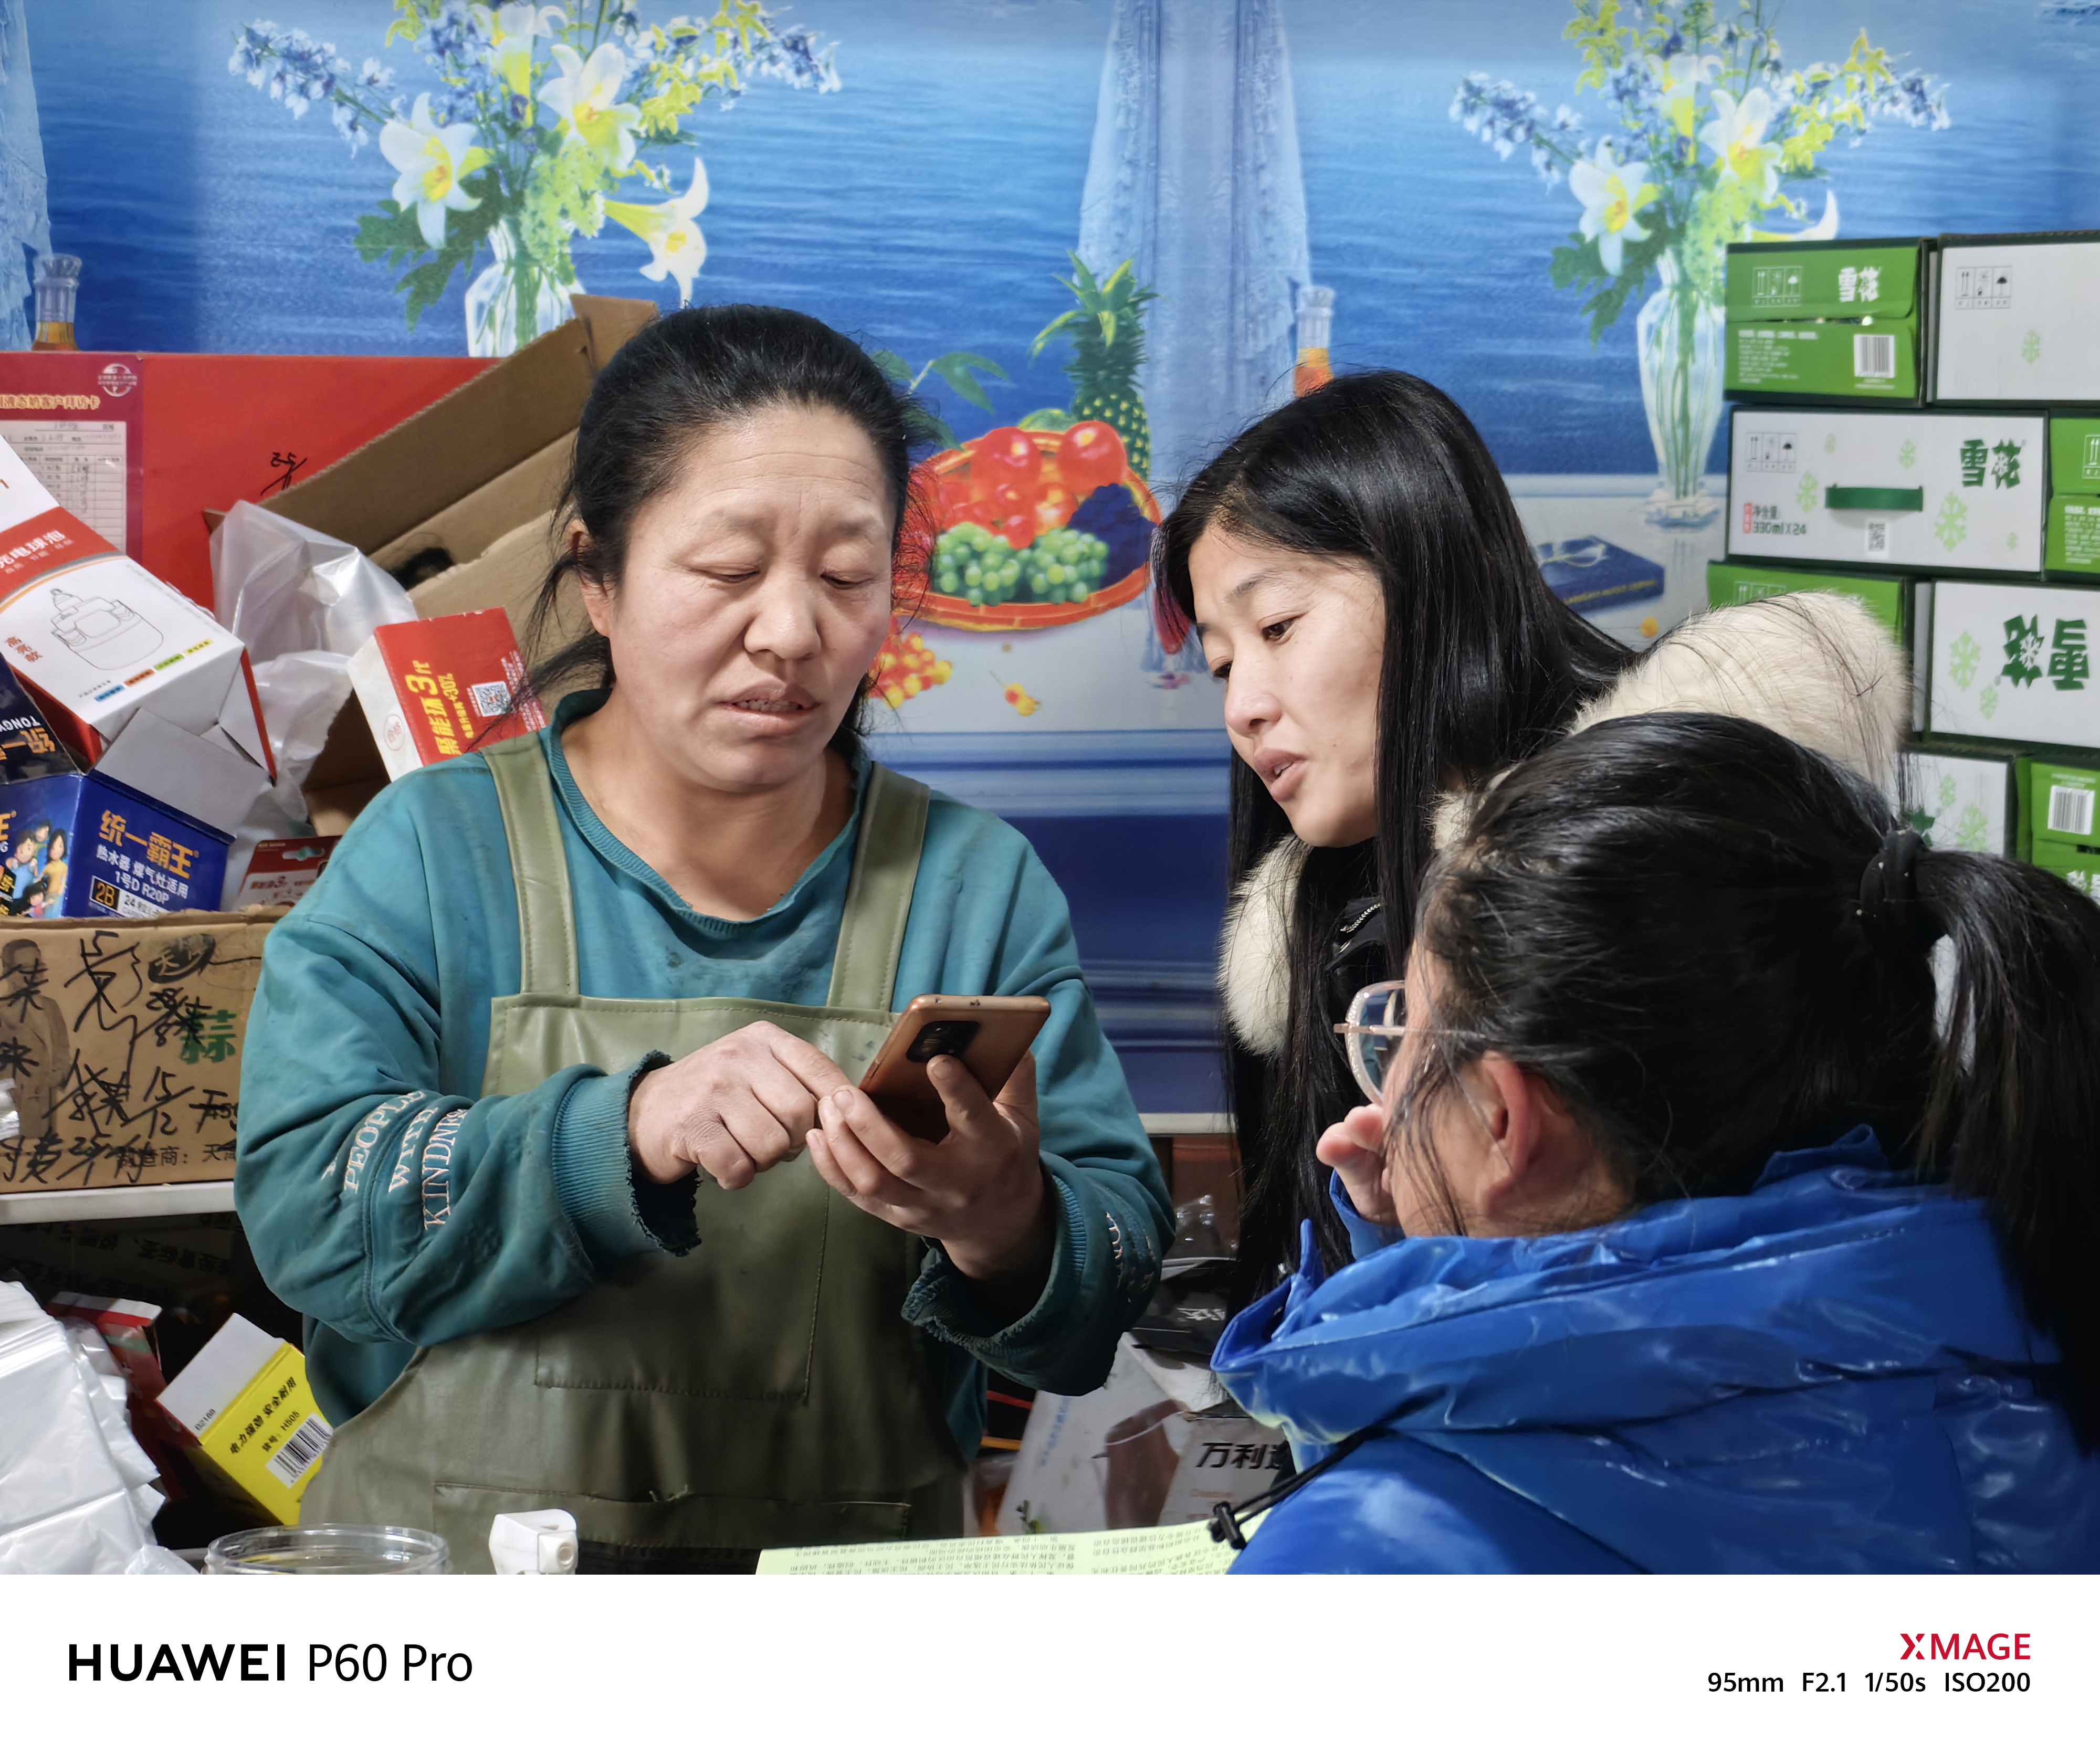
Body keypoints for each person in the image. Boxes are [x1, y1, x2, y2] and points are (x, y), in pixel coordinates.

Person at [237, 305, 1171, 1571]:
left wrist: (1005, 1222)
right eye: (729, 570)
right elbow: (308, 1211)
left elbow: (1108, 1279)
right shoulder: (429, 852)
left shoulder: (971, 889)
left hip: (838, 1626)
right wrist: (619, 1135)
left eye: (846, 578)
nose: (791, 632)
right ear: (598, 574)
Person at [1212, 712, 2100, 1572]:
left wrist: (1390, 1304)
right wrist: (1416, 1259)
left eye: (1409, 1023)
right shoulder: (2038, 1295)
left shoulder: (1360, 1556)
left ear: (1504, 1121)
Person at [1156, 372, 1909, 1311]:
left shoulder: (1686, 880)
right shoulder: (1331, 918)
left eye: (1278, 626)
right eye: (1222, 664)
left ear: (1430, 578)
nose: (1242, 707)